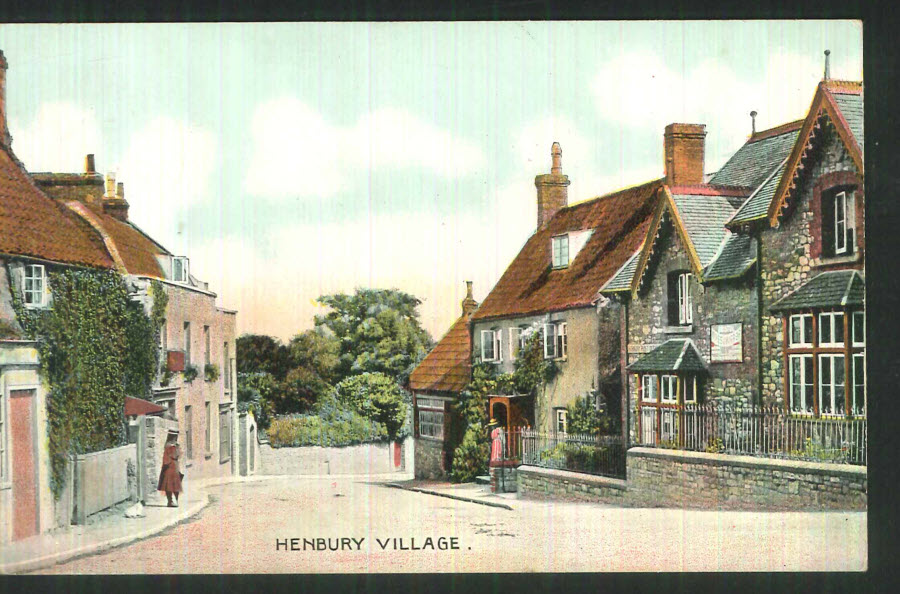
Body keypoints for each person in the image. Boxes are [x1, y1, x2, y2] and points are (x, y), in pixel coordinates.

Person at [157, 429, 183, 507]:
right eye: (174, 437)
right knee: (169, 485)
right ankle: (170, 501)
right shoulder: (169, 446)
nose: (175, 438)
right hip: (169, 468)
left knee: (176, 485)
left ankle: (176, 500)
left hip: (175, 467)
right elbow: (167, 458)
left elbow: (179, 455)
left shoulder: (176, 446)